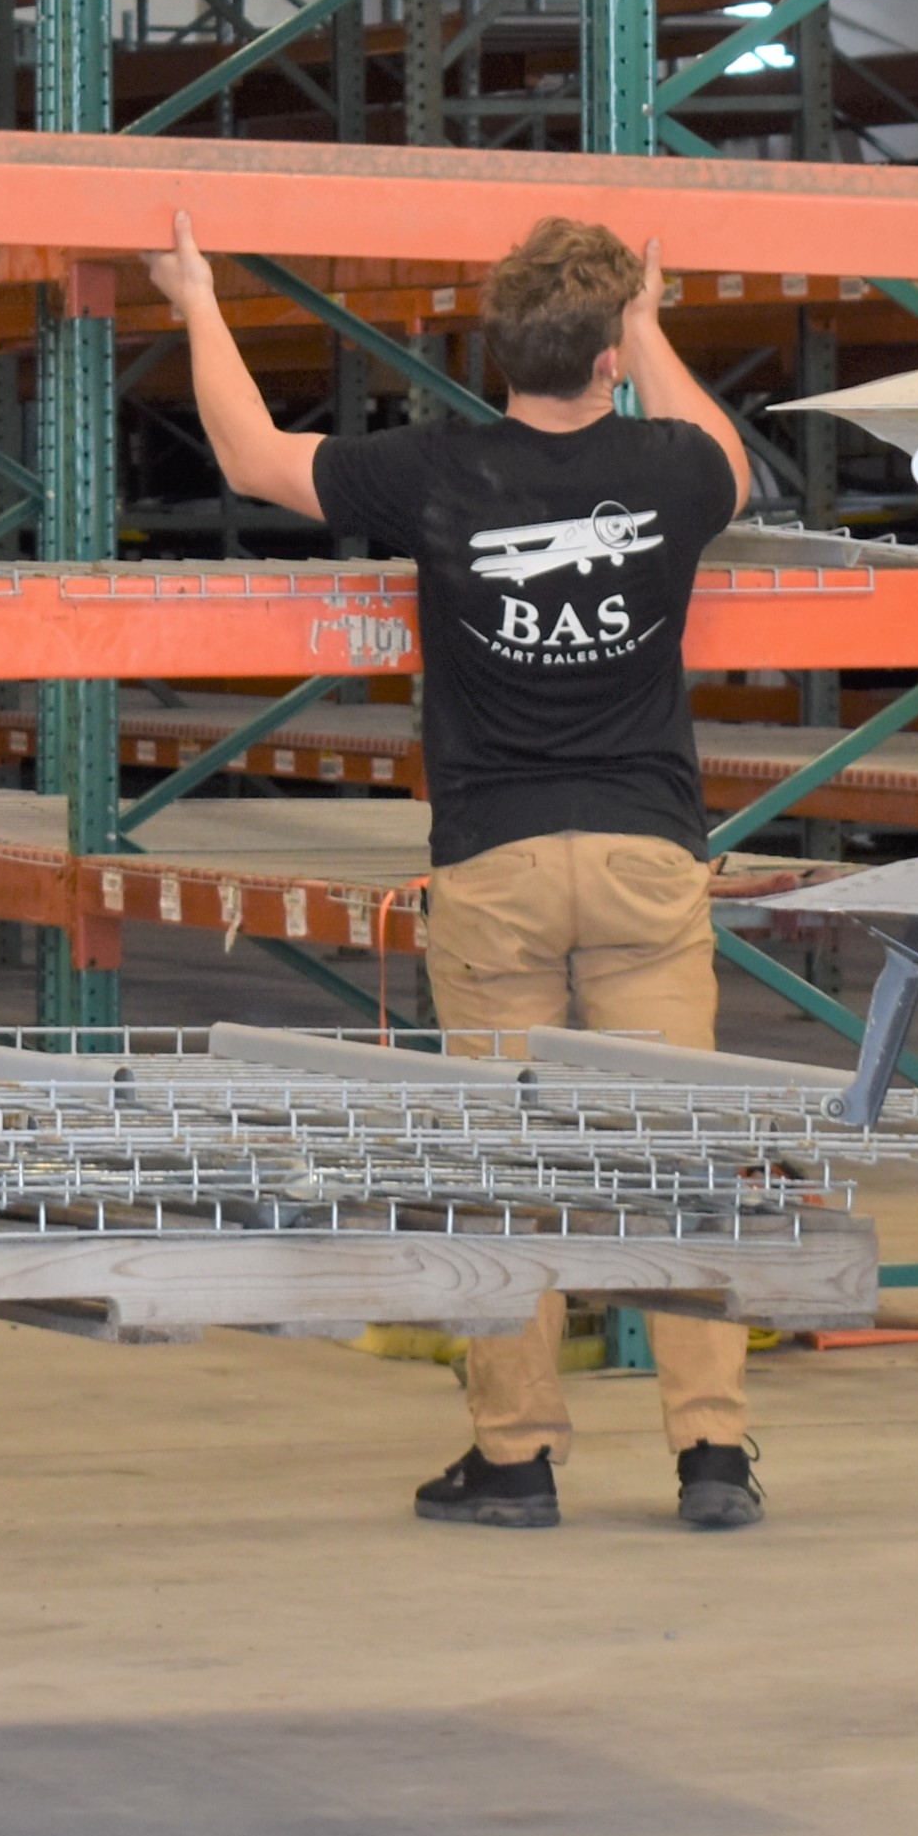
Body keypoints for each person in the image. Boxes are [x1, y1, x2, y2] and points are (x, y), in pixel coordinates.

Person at [142, 207, 766, 1536]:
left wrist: (196, 294)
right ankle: (710, 1448)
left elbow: (252, 457)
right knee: (680, 1150)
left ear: (496, 353)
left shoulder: (432, 468)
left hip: (492, 863)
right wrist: (647, 319)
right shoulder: (665, 466)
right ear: (604, 354)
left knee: (503, 1162)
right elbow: (734, 463)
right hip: (647, 853)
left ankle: (517, 1455)